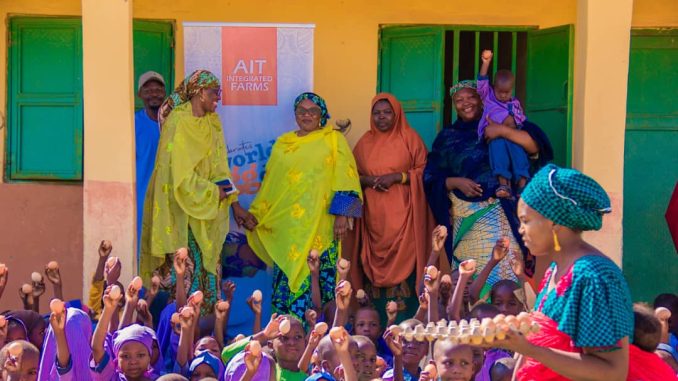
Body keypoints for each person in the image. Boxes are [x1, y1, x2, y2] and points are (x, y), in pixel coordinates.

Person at [489, 164, 677, 381]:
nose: (520, 229)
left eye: (525, 220)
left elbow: (611, 371)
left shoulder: (594, 277)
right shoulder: (554, 271)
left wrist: (532, 350)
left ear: (554, 222)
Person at [140, 70, 256, 315]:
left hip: (208, 212)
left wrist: (233, 203)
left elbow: (219, 166)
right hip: (181, 213)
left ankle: (207, 337)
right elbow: (179, 176)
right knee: (183, 272)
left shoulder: (212, 123)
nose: (218, 98)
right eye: (214, 92)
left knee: (208, 270)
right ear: (200, 92)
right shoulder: (179, 122)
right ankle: (180, 335)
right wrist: (212, 193)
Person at [424, 79, 553, 293]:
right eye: (459, 100)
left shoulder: (505, 121)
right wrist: (456, 182)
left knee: (507, 275)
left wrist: (502, 131)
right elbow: (430, 178)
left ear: (482, 98)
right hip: (467, 220)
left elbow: (536, 146)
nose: (466, 103)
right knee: (469, 279)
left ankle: (509, 321)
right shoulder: (447, 138)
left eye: (471, 97)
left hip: (506, 214)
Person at [246, 92, 362, 319]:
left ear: (322, 115)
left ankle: (320, 341)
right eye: (301, 111)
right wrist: (256, 214)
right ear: (295, 115)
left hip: (322, 226)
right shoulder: (283, 143)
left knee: (321, 284)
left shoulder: (333, 139)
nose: (306, 115)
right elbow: (272, 183)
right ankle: (286, 338)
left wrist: (342, 215)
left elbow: (347, 174)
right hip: (289, 230)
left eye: (313, 111)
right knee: (287, 283)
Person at [347, 93, 436, 317]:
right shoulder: (364, 143)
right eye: (376, 113)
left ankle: (407, 326)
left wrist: (399, 177)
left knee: (407, 263)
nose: (381, 117)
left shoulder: (409, 138)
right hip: (372, 219)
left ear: (396, 114)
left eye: (387, 113)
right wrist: (367, 181)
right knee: (368, 267)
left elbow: (426, 172)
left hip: (405, 218)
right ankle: (372, 325)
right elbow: (349, 177)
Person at [477, 50, 529, 199]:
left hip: (512, 135)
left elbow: (521, 119)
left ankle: (522, 186)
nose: (504, 95)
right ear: (493, 88)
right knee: (498, 152)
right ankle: (504, 184)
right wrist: (486, 63)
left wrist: (507, 125)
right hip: (495, 137)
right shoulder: (489, 97)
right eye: (500, 91)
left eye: (507, 92)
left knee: (518, 153)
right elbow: (481, 81)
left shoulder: (515, 103)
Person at [135, 71, 166, 255]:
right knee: (144, 247)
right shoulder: (133, 124)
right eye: (148, 90)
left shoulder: (174, 123)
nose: (154, 93)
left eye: (158, 89)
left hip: (170, 199)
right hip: (142, 198)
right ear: (140, 95)